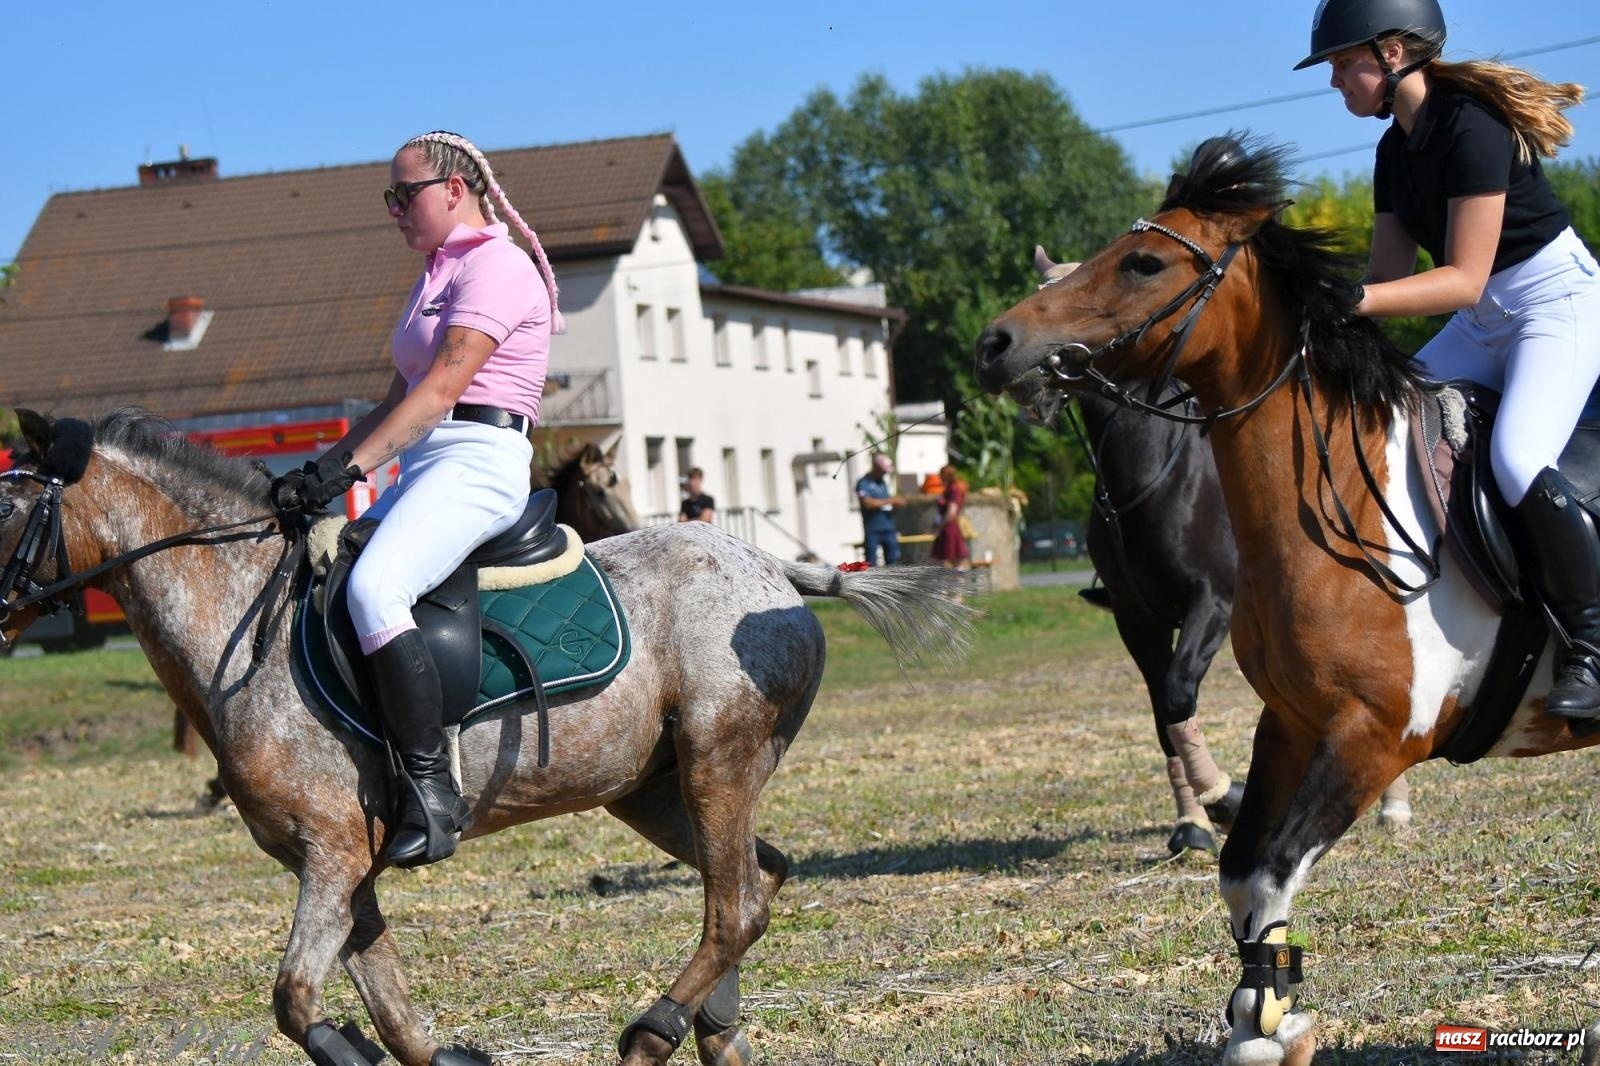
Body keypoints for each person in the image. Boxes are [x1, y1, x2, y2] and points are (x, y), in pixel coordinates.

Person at [1295, 0, 1600, 716]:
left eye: (1343, 62)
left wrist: (1357, 301)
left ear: (1393, 53)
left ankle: (1592, 645)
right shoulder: (1392, 150)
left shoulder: (1472, 125)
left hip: (1554, 308)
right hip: (1481, 320)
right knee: (1377, 420)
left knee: (1519, 459)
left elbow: (1460, 277)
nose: (1335, 79)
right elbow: (1389, 276)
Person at [270, 129, 563, 866]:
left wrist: (348, 474)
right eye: (389, 198)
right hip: (428, 464)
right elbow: (396, 401)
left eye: (405, 195)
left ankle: (434, 794)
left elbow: (438, 393)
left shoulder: (498, 266)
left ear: (455, 191)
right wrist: (323, 468)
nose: (395, 210)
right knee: (327, 583)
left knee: (374, 589)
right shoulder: (435, 274)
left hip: (481, 459)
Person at [855, 452, 904, 566]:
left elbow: (885, 505)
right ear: (876, 467)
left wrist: (896, 506)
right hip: (873, 530)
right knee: (871, 564)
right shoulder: (863, 483)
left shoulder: (883, 483)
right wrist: (891, 501)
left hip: (888, 528)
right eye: (883, 471)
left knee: (893, 563)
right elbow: (867, 503)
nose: (884, 474)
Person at [930, 464, 971, 570]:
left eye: (941, 475)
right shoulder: (947, 490)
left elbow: (951, 512)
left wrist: (940, 527)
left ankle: (957, 584)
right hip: (947, 526)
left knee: (953, 560)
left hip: (949, 527)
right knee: (941, 560)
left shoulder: (954, 489)